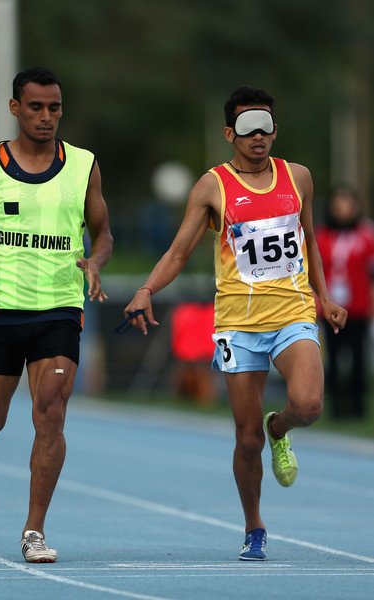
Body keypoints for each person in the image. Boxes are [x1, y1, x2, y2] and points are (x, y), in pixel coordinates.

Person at [124, 86, 347, 561]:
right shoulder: (212, 186)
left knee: (308, 405)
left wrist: (324, 297)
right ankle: (254, 527)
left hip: (292, 314)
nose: (258, 136)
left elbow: (309, 241)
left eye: (266, 126)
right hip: (238, 325)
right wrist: (146, 289)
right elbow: (179, 251)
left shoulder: (299, 177)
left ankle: (281, 428)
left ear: (275, 130)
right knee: (246, 439)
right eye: (247, 129)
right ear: (230, 134)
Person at [0, 66, 113, 563]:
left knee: (51, 413)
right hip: (0, 312)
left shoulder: (83, 166)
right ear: (15, 108)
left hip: (59, 310)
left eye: (54, 108)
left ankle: (34, 530)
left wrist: (95, 262)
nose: (46, 117)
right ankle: (4, 397)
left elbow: (103, 232)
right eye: (35, 107)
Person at [316, 185, 374, 418]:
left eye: (348, 205)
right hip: (330, 308)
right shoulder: (321, 237)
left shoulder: (366, 235)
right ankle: (335, 408)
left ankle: (358, 407)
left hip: (357, 307)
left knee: (359, 357)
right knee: (331, 357)